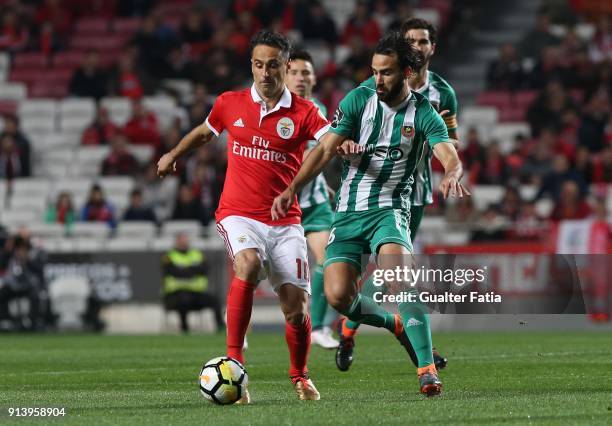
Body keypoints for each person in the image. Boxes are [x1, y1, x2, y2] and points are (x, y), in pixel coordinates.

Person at [272, 32, 468, 396]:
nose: (378, 80)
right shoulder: (358, 99)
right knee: (337, 297)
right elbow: (324, 150)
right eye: (375, 72)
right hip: (347, 212)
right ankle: (394, 324)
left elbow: (447, 153)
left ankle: (426, 369)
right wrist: (291, 188)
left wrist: (452, 174)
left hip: (390, 210)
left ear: (407, 72)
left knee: (399, 279)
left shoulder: (423, 112)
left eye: (387, 73)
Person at [157, 30, 331, 403]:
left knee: (296, 309)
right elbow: (206, 133)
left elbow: (330, 142)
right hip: (238, 214)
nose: (264, 73)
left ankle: (299, 374)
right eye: (257, 64)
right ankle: (235, 363)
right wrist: (174, 154)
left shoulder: (304, 112)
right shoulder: (229, 103)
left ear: (285, 67)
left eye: (272, 65)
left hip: (285, 223)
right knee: (247, 265)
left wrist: (342, 147)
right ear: (250, 66)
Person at [339, 18, 457, 373]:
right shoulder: (374, 87)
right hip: (366, 190)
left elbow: (450, 140)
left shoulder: (442, 95)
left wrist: (449, 167)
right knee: (369, 275)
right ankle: (353, 324)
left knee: (395, 271)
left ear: (432, 48)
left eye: (423, 41)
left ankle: (410, 352)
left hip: (412, 189)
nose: (418, 46)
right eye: (412, 41)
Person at [285, 48, 338, 350]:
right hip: (279, 204)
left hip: (315, 204)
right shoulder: (275, 108)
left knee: (329, 260)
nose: (301, 78)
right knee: (253, 269)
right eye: (294, 72)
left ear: (315, 79)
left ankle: (318, 326)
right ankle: (238, 328)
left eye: (306, 73)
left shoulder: (316, 109)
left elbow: (322, 152)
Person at [162, 232, 223, 333]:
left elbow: (205, 269)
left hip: (196, 294)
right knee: (183, 299)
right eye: (181, 241)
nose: (184, 243)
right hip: (175, 295)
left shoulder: (197, 254)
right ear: (176, 242)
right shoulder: (169, 256)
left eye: (185, 241)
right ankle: (184, 328)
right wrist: (193, 270)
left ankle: (220, 327)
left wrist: (184, 270)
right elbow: (173, 272)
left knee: (215, 299)